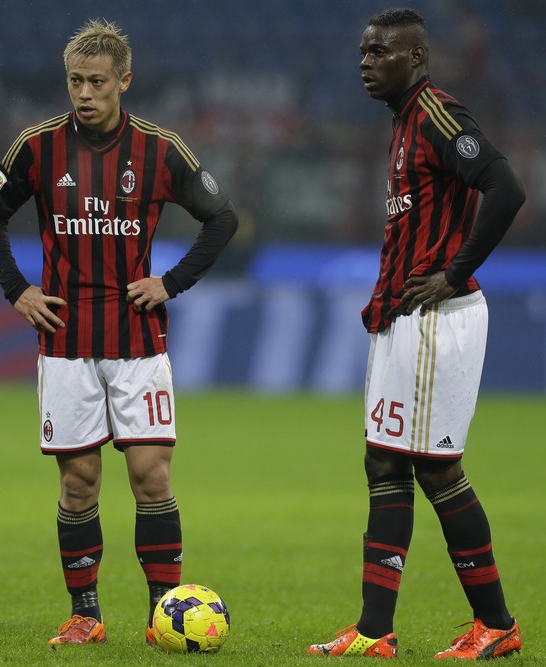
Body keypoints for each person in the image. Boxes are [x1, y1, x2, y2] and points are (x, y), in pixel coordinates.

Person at [0, 19, 238, 645]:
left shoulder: (160, 148)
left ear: (124, 81)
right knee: (78, 482)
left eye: (97, 82)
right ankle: (85, 615)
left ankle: (161, 614)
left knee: (151, 475)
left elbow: (222, 219)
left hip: (138, 341)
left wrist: (169, 284)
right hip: (65, 340)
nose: (84, 93)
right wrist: (18, 290)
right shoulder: (36, 148)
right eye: (75, 81)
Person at [307, 8, 525, 661]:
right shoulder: (403, 123)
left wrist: (455, 274)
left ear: (417, 57)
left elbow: (506, 187)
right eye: (364, 52)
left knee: (434, 467)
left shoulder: (437, 114)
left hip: (439, 319)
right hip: (403, 317)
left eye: (380, 52)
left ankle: (498, 624)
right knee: (384, 461)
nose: (366, 62)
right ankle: (376, 631)